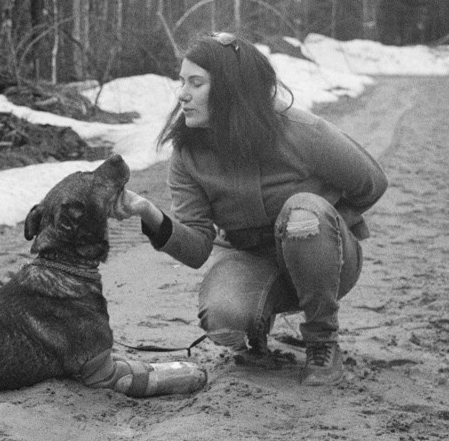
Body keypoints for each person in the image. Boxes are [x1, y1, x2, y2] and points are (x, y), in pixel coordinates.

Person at [112, 32, 387, 386]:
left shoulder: (299, 131)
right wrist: (147, 211)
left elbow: (371, 183)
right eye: (182, 82)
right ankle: (257, 324)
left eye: (196, 83)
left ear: (230, 89)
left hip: (328, 257)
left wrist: (328, 224)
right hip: (253, 261)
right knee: (223, 319)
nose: (182, 94)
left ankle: (322, 341)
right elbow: (197, 247)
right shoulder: (188, 154)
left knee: (303, 214)